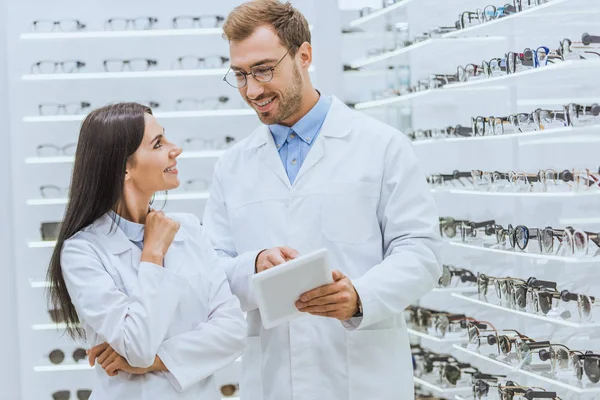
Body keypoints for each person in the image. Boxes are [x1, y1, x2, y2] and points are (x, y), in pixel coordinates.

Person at [202, 1, 443, 399]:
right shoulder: (232, 166)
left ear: (304, 55)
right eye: (241, 75)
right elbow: (211, 269)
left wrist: (360, 297)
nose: (253, 90)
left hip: (362, 377)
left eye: (264, 69)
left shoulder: (382, 147)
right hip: (273, 379)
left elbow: (421, 253)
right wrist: (256, 263)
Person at [46, 102, 246, 400]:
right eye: (158, 143)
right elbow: (138, 345)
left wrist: (157, 359)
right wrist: (152, 254)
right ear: (124, 167)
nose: (174, 149)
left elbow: (233, 332)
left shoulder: (188, 229)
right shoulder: (82, 252)